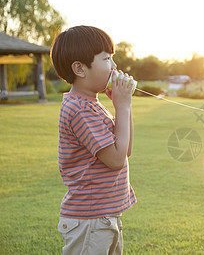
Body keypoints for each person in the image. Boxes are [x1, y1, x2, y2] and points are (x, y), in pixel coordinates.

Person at [51, 25, 136, 254]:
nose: (114, 66)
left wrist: (123, 107)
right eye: (107, 59)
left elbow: (125, 149)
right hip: (89, 219)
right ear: (80, 68)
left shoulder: (93, 105)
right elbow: (117, 160)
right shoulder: (80, 109)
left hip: (105, 216)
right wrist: (123, 105)